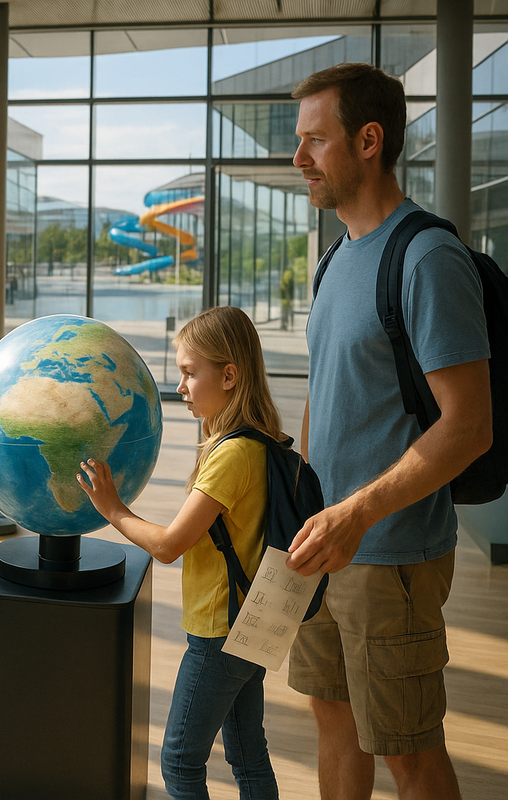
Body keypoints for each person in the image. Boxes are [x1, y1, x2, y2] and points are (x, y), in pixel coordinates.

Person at [286, 63, 492, 800]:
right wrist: (301, 508)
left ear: (369, 140)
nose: (298, 158)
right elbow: (324, 395)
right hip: (322, 542)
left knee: (409, 752)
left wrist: (357, 514)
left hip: (390, 556)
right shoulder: (337, 256)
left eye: (315, 140)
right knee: (334, 722)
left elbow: (469, 428)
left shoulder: (427, 258)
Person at [77, 305, 282, 800]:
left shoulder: (231, 454)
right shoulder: (258, 442)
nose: (181, 386)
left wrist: (113, 509)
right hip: (250, 620)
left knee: (180, 762)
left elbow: (169, 546)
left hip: (218, 631)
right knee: (248, 755)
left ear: (229, 375)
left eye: (191, 372)